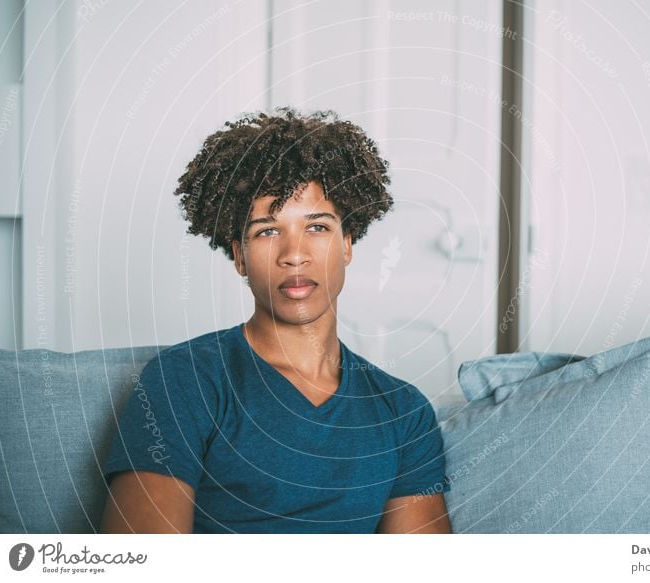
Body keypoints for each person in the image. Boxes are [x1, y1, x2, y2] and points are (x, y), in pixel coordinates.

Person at [100, 108, 452, 533]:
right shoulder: (185, 381)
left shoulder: (402, 412)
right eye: (267, 231)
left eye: (317, 228)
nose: (294, 254)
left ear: (347, 246)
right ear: (239, 257)